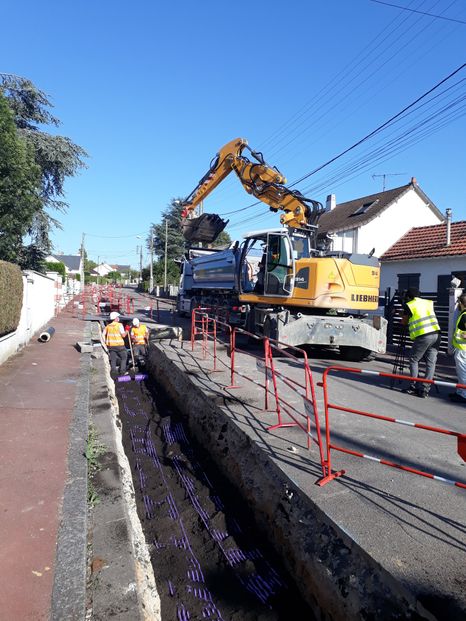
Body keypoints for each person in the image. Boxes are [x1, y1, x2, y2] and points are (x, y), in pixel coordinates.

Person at [401, 287, 441, 398]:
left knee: (414, 359)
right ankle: (425, 389)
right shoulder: (428, 303)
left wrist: (401, 313)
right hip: (437, 334)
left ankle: (413, 386)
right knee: (431, 363)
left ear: (409, 297)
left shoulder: (409, 305)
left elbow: (404, 322)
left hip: (424, 335)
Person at [449, 293, 466, 403]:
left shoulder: (465, 315)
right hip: (461, 348)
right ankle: (460, 392)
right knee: (461, 372)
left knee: (463, 372)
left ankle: (463, 394)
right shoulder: (463, 313)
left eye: (458, 302)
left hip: (462, 349)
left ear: (461, 303)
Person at [103, 311, 128, 376]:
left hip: (111, 346)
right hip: (119, 345)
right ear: (115, 318)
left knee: (113, 359)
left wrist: (105, 344)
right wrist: (127, 330)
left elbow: (103, 335)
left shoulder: (108, 326)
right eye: (118, 317)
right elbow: (123, 335)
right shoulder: (119, 325)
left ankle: (113, 372)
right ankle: (122, 371)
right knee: (124, 357)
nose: (118, 318)